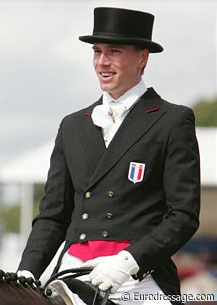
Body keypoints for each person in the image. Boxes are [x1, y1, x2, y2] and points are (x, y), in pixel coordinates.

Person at [18, 7, 200, 305]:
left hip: (138, 277)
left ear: (142, 58)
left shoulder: (171, 120)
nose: (102, 62)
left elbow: (183, 215)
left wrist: (129, 261)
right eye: (97, 51)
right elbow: (53, 215)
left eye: (113, 51)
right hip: (74, 268)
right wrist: (27, 271)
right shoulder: (73, 125)